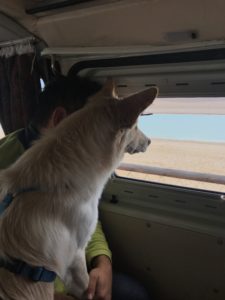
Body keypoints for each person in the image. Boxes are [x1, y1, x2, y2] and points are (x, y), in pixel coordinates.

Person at [0, 74, 152, 300]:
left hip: (69, 273)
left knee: (133, 292)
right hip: (33, 285)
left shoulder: (75, 165)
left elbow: (79, 220)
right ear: (62, 120)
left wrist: (103, 262)